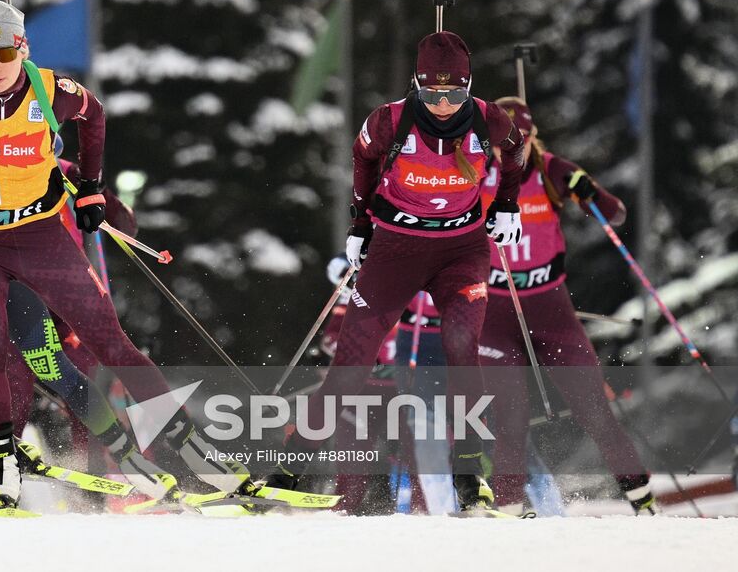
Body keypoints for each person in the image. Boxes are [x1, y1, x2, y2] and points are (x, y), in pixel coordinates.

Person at [0, 0, 250, 510]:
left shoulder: (51, 90)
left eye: (4, 52)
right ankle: (1, 458)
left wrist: (90, 189)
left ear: (20, 47)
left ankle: (190, 447)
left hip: (40, 234)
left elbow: (95, 116)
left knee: (108, 339)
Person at [265, 31, 525, 515]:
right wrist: (360, 223)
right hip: (395, 250)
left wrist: (507, 205)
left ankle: (470, 477)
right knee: (350, 362)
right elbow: (362, 159)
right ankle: (285, 471)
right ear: (416, 86)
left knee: (461, 347)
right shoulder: (388, 120)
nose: (444, 105)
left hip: (461, 252)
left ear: (469, 88)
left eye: (454, 94)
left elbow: (515, 156)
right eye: (432, 94)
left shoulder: (491, 118)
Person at [478, 96, 654, 515]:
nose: (509, 150)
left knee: (594, 408)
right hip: (496, 314)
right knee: (509, 415)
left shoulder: (549, 170)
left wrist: (587, 190)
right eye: (501, 141)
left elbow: (614, 213)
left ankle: (642, 499)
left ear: (532, 136)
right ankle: (509, 506)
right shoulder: (471, 172)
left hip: (550, 310)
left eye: (517, 141)